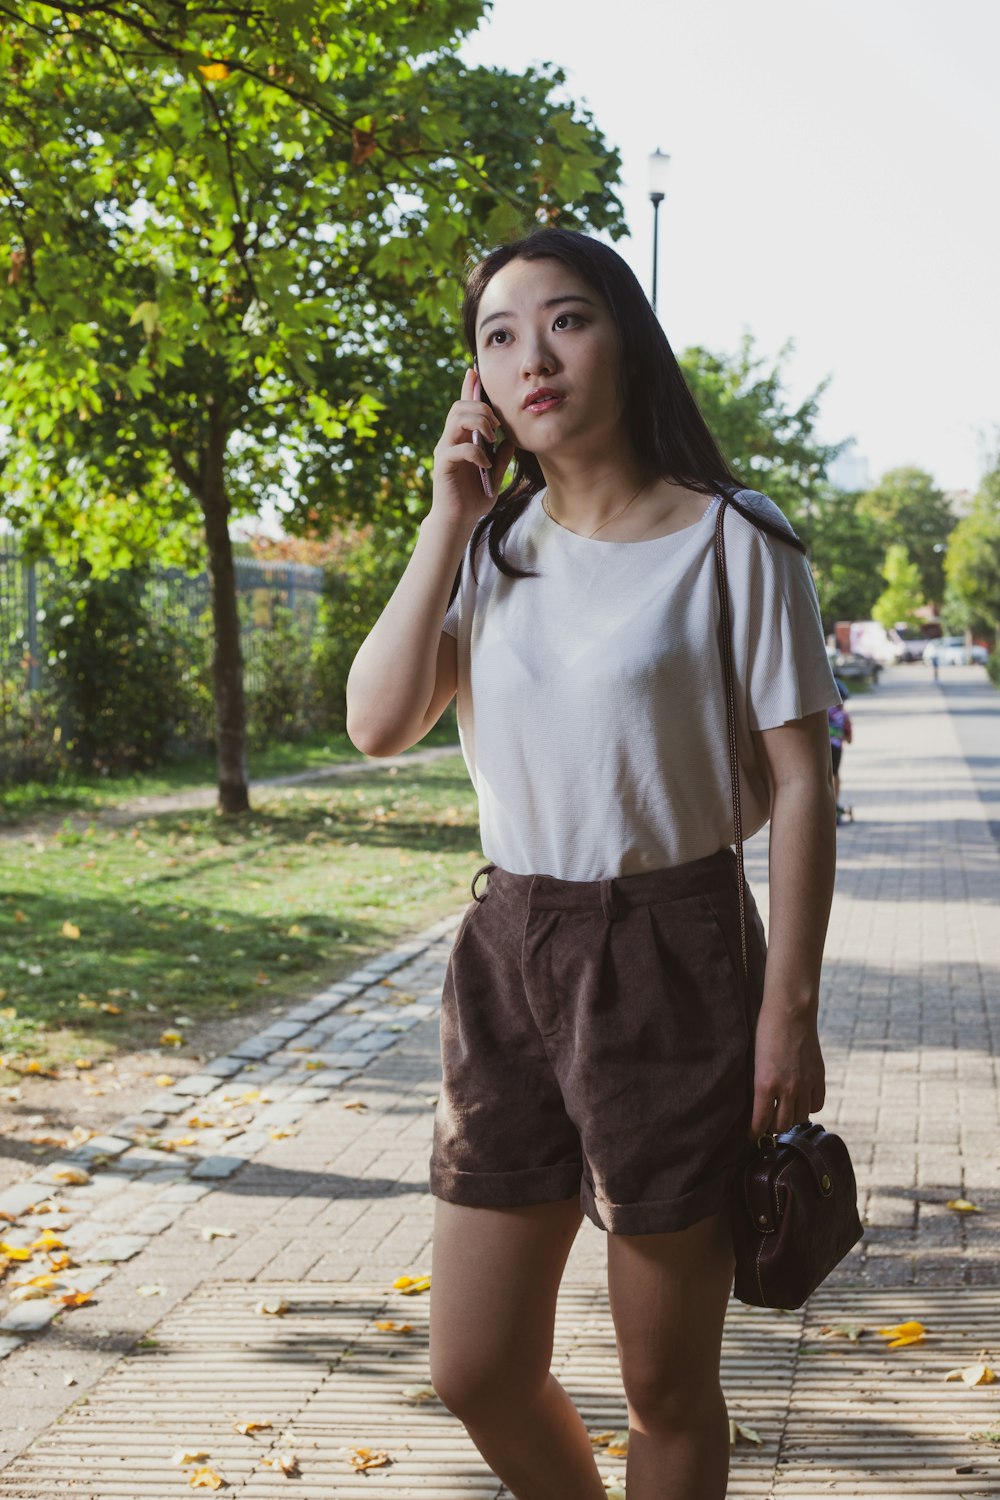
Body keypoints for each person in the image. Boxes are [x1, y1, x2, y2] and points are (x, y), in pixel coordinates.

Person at [345, 227, 841, 1500]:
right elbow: (376, 722)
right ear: (478, 386)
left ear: (625, 339)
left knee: (664, 1388)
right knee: (476, 1368)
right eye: (497, 337)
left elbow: (800, 779)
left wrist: (787, 1010)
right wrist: (446, 520)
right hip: (507, 953)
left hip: (674, 952)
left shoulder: (735, 539)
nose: (531, 356)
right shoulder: (492, 550)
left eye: (564, 320)